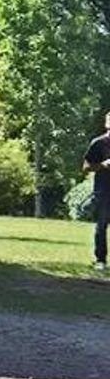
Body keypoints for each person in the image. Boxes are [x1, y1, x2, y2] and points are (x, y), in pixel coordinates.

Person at [86, 110, 110, 272]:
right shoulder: (99, 143)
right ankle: (100, 259)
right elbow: (86, 167)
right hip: (104, 190)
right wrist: (103, 165)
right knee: (101, 225)